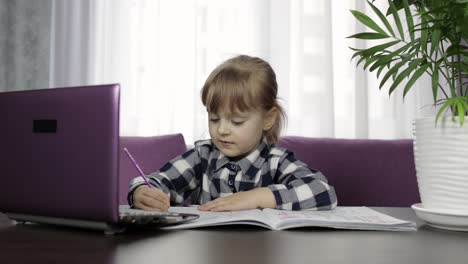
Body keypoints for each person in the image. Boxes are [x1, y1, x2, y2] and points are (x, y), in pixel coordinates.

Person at [128, 55, 337, 212]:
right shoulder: (202, 156)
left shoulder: (276, 162)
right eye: (214, 119)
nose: (222, 130)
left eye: (236, 121)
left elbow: (323, 190)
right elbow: (156, 181)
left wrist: (259, 197)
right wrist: (141, 192)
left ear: (268, 118)